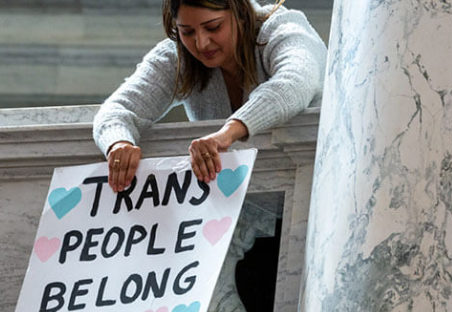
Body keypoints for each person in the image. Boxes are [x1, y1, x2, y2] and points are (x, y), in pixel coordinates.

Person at [93, 0, 327, 191]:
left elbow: (295, 81)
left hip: (311, 184)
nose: (201, 43)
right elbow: (117, 110)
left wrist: (227, 134)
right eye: (187, 32)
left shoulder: (283, 27)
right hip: (231, 204)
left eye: (213, 27)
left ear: (241, 13)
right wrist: (119, 143)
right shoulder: (176, 56)